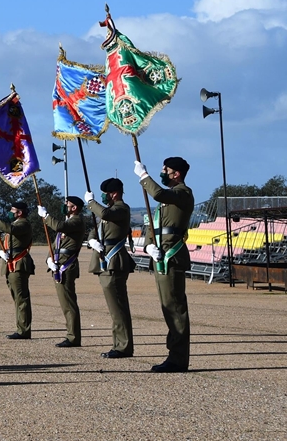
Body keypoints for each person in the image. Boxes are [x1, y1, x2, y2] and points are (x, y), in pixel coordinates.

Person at [136, 156, 195, 373]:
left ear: (176, 173)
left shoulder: (182, 193)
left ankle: (178, 359)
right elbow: (155, 227)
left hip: (173, 256)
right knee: (167, 307)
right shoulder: (167, 201)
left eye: (165, 169)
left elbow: (158, 193)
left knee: (175, 308)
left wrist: (144, 176)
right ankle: (174, 354)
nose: (162, 171)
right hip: (161, 257)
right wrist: (148, 246)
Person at [85, 178, 135, 359]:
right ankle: (119, 343)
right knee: (114, 307)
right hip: (105, 259)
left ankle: (123, 346)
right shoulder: (112, 211)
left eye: (106, 194)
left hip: (114, 261)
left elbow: (105, 215)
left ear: (114, 193)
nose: (105, 197)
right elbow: (98, 227)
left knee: (118, 307)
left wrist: (91, 202)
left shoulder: (122, 208)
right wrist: (92, 239)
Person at [40, 197, 88, 347]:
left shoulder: (76, 221)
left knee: (68, 303)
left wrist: (46, 217)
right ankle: (71, 334)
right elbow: (55, 245)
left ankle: (73, 337)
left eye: (67, 205)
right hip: (58, 263)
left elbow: (59, 226)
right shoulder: (68, 223)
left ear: (74, 208)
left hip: (67, 265)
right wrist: (49, 259)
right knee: (65, 303)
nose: (64, 207)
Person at [0, 201, 35, 340]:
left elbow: (11, 231)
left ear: (19, 212)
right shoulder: (13, 225)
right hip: (10, 263)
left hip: (19, 263)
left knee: (22, 299)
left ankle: (24, 331)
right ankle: (21, 327)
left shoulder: (23, 224)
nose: (10, 212)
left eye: (12, 210)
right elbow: (3, 240)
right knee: (17, 298)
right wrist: (0, 252)